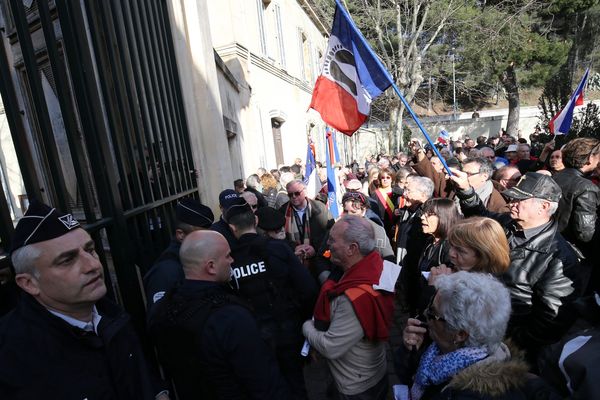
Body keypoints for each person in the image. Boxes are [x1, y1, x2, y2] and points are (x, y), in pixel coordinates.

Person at [0, 201, 163, 399]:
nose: (93, 265)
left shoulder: (111, 315)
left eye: (90, 249)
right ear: (29, 283)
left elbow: (140, 375)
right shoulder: (12, 356)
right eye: (67, 260)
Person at [451, 170, 585, 363]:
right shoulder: (507, 224)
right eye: (512, 198)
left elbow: (550, 322)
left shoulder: (559, 258)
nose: (510, 203)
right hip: (477, 330)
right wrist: (466, 191)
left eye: (519, 200)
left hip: (508, 352)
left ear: (544, 206)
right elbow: (481, 217)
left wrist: (505, 343)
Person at [148, 230, 290, 399]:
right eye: (228, 256)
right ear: (211, 266)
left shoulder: (165, 308)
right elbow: (264, 383)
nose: (232, 260)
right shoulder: (231, 317)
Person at [226, 199, 317, 399]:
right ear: (256, 221)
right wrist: (305, 324)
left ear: (232, 228)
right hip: (287, 329)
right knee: (295, 383)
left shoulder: (230, 259)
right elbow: (308, 288)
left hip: (253, 336)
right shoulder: (278, 248)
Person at [303, 215, 400, 400]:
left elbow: (330, 347)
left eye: (332, 240)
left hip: (355, 387)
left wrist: (306, 326)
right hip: (374, 371)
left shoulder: (353, 297)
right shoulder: (378, 267)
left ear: (352, 248)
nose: (328, 245)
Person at [397, 272, 528, 400]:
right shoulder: (440, 346)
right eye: (430, 305)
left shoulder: (470, 394)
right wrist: (410, 351)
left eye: (433, 312)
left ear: (460, 334)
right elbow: (409, 377)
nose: (425, 313)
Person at [144, 198, 214, 314]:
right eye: (201, 235)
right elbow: (160, 322)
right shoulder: (166, 272)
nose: (208, 240)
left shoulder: (196, 255)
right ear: (181, 235)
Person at [552, 138, 600, 256]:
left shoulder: (554, 177)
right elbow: (585, 233)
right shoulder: (586, 187)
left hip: (550, 244)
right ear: (590, 158)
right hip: (571, 254)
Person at [279, 179, 333, 271]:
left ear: (305, 191)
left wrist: (314, 249)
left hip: (319, 259)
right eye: (290, 194)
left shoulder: (320, 207)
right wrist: (295, 248)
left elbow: (330, 231)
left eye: (297, 193)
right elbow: (279, 237)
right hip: (295, 261)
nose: (294, 197)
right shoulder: (282, 211)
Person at [370, 168, 400, 241]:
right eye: (382, 178)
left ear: (392, 179)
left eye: (388, 177)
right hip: (382, 228)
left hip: (396, 228)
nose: (385, 180)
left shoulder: (398, 193)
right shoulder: (375, 195)